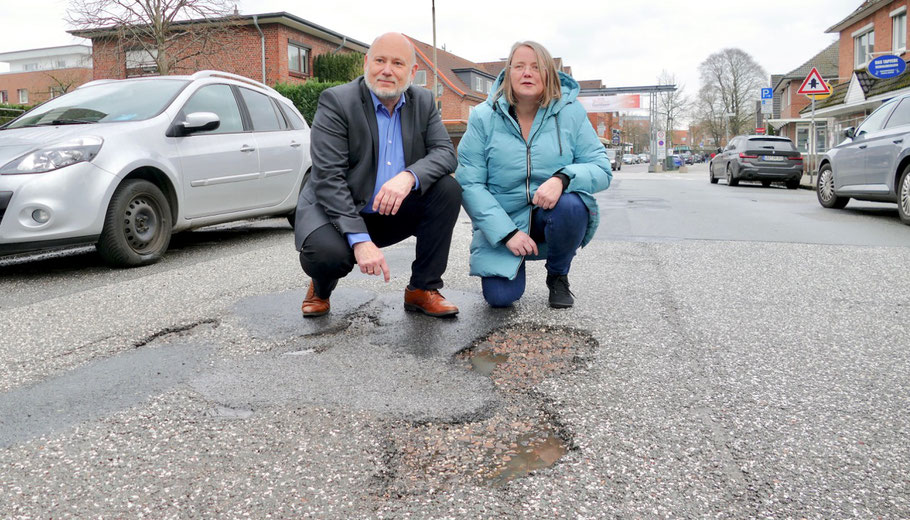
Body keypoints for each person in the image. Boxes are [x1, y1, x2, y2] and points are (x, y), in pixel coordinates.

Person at [294, 32, 461, 318]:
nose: (386, 70)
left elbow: (445, 153)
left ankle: (422, 289)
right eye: (380, 60)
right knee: (327, 257)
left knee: (447, 190)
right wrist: (360, 240)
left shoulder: (422, 101)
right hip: (337, 212)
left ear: (412, 72)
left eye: (397, 63)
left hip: (390, 209)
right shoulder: (337, 101)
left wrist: (408, 176)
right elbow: (328, 178)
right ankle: (321, 288)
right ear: (366, 62)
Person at [456, 41, 611, 309]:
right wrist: (507, 234)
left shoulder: (570, 113)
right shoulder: (483, 117)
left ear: (548, 74)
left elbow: (601, 168)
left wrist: (562, 178)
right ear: (508, 73)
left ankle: (558, 274)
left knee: (572, 205)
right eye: (519, 66)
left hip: (549, 214)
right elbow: (470, 184)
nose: (527, 73)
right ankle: (512, 259)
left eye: (536, 67)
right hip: (504, 223)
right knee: (500, 299)